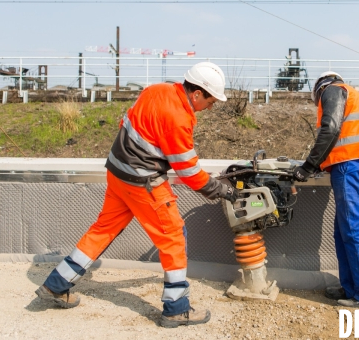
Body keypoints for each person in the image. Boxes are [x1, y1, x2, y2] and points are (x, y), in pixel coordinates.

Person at [35, 62, 239, 328]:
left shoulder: (156, 90)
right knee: (174, 237)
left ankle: (56, 285)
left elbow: (130, 125)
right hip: (143, 183)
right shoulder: (179, 117)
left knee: (103, 230)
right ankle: (176, 308)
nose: (211, 107)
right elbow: (188, 171)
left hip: (117, 173)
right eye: (211, 101)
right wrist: (222, 190)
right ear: (197, 94)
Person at [293, 71, 359, 309]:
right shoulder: (352, 95)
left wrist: (308, 167)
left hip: (350, 166)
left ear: (318, 90)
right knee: (344, 231)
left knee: (353, 231)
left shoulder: (332, 90)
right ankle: (352, 288)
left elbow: (330, 128)